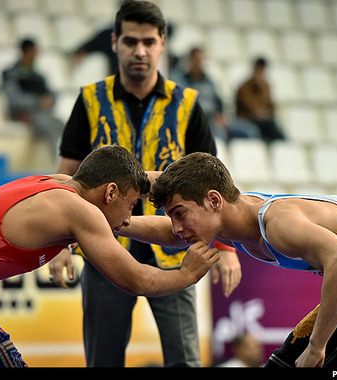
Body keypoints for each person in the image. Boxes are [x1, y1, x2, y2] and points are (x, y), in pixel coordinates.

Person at [0, 145, 219, 368]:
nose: (128, 217)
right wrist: (187, 275)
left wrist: (200, 198)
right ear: (110, 192)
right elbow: (137, 279)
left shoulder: (55, 183)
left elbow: (142, 187)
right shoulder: (82, 211)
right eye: (130, 205)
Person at [50, 0, 241, 367]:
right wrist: (59, 243)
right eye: (131, 41)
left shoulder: (187, 104)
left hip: (174, 248)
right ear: (114, 42)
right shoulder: (89, 100)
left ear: (162, 44)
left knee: (185, 361)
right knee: (103, 361)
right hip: (103, 246)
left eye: (149, 42)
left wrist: (227, 248)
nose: (140, 51)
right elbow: (67, 178)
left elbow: (216, 183)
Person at [119, 152, 337, 369]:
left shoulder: (278, 223)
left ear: (214, 200)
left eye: (179, 215)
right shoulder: (223, 217)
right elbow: (166, 207)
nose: (176, 227)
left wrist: (317, 346)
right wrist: (110, 220)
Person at [2, 38, 63, 157]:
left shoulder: (38, 76)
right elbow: (14, 99)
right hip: (23, 114)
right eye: (33, 52)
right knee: (51, 125)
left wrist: (50, 100)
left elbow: (51, 94)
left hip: (41, 113)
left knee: (63, 125)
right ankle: (59, 163)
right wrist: (38, 102)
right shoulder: (10, 74)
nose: (35, 56)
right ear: (25, 52)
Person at [172, 47, 229, 141]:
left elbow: (218, 101)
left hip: (211, 118)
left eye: (201, 60)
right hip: (193, 120)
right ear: (190, 61)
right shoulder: (181, 81)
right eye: (196, 60)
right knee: (217, 135)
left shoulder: (209, 81)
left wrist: (221, 115)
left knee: (248, 132)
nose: (199, 63)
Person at [232, 57, 286, 142]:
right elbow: (251, 108)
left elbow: (271, 106)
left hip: (263, 121)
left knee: (277, 133)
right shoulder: (244, 88)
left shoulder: (265, 86)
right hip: (248, 120)